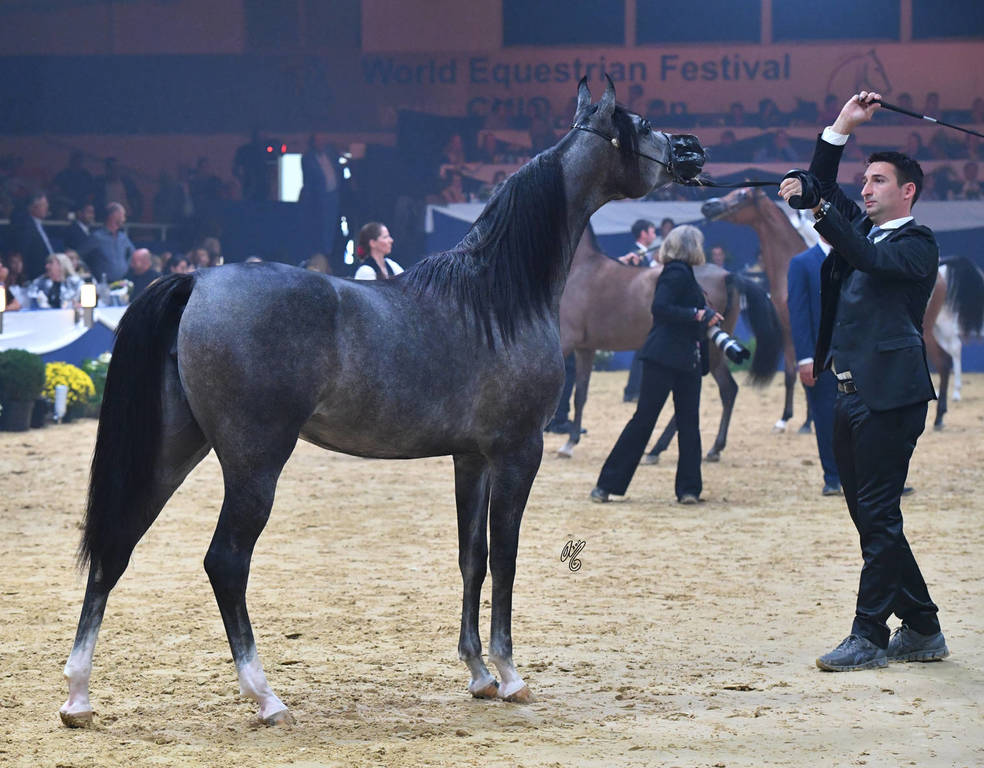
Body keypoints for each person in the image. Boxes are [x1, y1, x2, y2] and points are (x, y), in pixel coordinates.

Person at [779, 90, 948, 672]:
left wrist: (822, 212)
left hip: (892, 397)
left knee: (876, 517)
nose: (867, 188)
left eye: (879, 180)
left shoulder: (916, 245)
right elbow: (823, 188)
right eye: (865, 180)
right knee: (872, 519)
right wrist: (841, 126)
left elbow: (867, 258)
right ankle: (923, 626)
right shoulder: (864, 233)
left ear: (907, 192)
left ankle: (870, 634)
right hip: (849, 395)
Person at [590, 225, 722, 505]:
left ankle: (613, 485)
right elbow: (660, 309)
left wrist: (703, 317)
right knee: (655, 421)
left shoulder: (682, 273)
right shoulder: (676, 272)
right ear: (691, 248)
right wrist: (697, 315)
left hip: (680, 357)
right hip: (667, 357)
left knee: (672, 422)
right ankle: (685, 488)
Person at [786, 236, 840, 497]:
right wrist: (805, 358)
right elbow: (798, 312)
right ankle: (832, 476)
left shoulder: (853, 258)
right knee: (825, 416)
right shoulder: (802, 263)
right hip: (821, 358)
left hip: (856, 354)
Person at [299, 133, 340, 271]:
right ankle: (320, 258)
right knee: (320, 230)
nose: (321, 143)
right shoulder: (308, 158)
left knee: (331, 229)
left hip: (332, 197)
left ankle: (329, 256)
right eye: (318, 141)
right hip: (318, 200)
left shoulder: (330, 155)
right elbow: (310, 181)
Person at [79, 202, 135, 282]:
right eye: (122, 215)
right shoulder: (97, 237)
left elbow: (134, 254)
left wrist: (127, 266)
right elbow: (80, 255)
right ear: (114, 215)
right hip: (103, 285)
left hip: (123, 284)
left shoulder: (123, 237)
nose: (124, 219)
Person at [14, 192, 55, 279]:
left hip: (48, 272)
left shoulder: (39, 225)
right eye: (43, 205)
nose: (47, 208)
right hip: (36, 274)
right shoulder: (26, 225)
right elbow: (24, 249)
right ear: (33, 207)